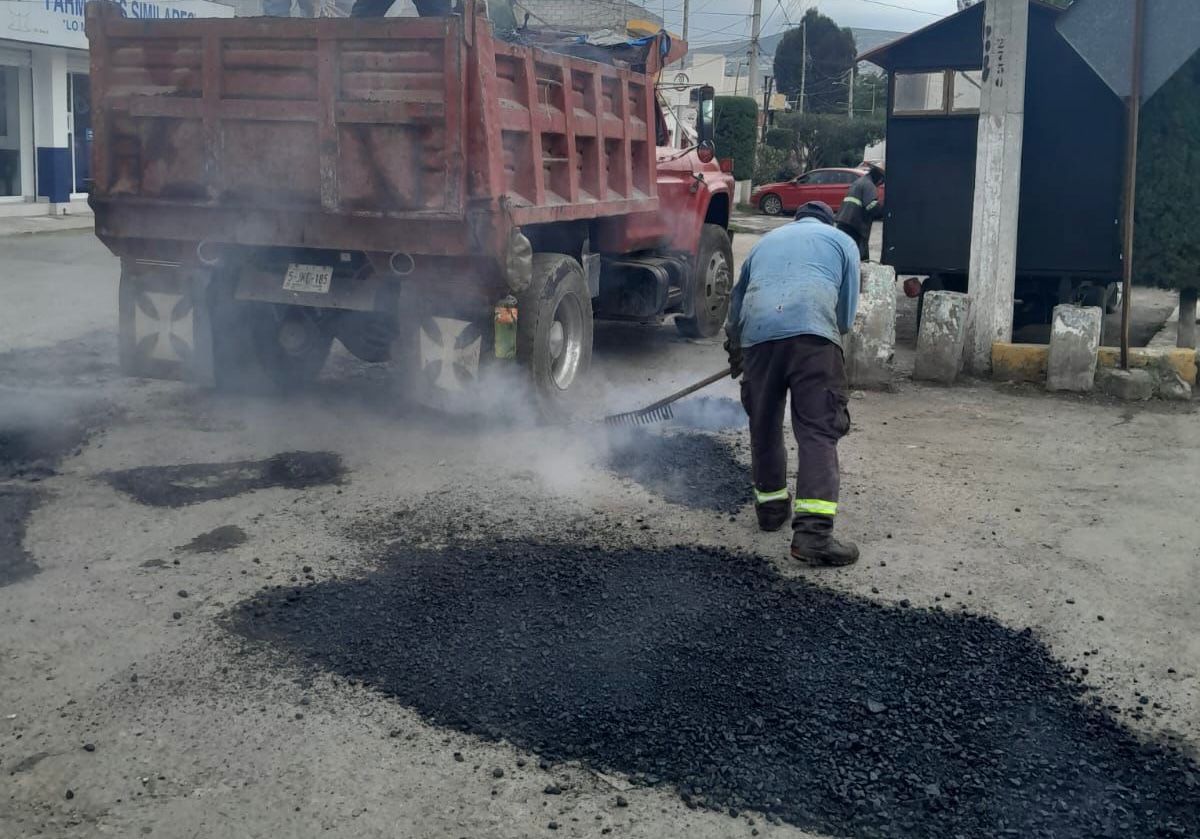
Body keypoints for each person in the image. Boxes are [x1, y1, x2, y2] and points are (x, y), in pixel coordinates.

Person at [724, 201, 861, 567]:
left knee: (764, 422)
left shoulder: (765, 242)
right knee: (817, 429)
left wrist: (737, 346)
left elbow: (736, 305)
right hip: (813, 339)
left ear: (796, 219)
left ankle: (770, 512)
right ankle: (813, 536)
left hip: (758, 338)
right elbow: (845, 316)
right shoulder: (841, 241)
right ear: (827, 221)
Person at [836, 164, 885, 262]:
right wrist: (884, 210)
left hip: (844, 222)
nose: (880, 184)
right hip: (855, 226)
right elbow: (871, 207)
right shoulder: (869, 185)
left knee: (845, 254)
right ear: (879, 178)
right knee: (861, 258)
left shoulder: (859, 182)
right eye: (881, 181)